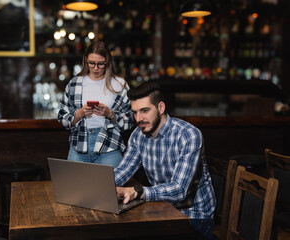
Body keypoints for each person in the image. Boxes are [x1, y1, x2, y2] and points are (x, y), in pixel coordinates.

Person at [114, 81, 216, 239]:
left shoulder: (188, 135)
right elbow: (123, 171)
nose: (139, 118)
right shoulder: (138, 135)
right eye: (135, 112)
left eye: (145, 110)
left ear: (161, 108)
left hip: (194, 216)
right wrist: (100, 187)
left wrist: (138, 192)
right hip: (162, 209)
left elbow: (180, 190)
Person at [58, 40, 133, 168]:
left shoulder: (119, 84)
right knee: (74, 187)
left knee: (110, 187)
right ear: (85, 60)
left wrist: (110, 114)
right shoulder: (74, 83)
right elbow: (62, 119)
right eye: (91, 63)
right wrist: (80, 113)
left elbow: (129, 121)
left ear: (107, 62)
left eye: (100, 64)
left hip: (109, 145)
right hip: (79, 145)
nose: (96, 68)